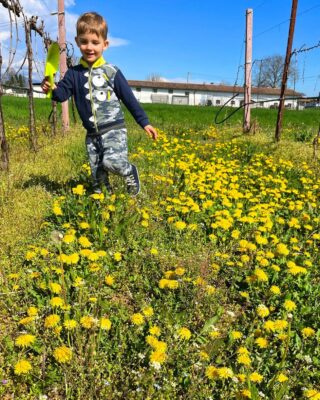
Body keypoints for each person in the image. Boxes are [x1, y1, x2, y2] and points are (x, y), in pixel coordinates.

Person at [41, 12, 157, 195]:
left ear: (105, 44)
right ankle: (103, 207)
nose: (89, 47)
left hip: (114, 129)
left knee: (113, 163)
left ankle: (129, 171)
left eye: (95, 42)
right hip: (92, 134)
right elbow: (61, 95)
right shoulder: (73, 74)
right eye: (84, 41)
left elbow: (129, 99)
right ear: (77, 41)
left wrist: (144, 122)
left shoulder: (111, 72)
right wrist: (51, 88)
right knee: (97, 177)